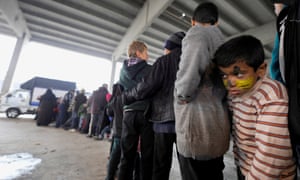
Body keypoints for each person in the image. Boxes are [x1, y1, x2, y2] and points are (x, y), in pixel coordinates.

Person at [213, 35, 296, 179]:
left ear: (261, 69)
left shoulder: (271, 96)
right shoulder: (235, 94)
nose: (230, 83)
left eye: (238, 74)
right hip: (246, 167)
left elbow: (270, 156)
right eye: (224, 76)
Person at [173, 2, 230, 180]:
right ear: (217, 22)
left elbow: (188, 78)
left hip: (197, 130)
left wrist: (181, 95)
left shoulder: (197, 34)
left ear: (192, 21)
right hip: (217, 129)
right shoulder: (223, 43)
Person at [122, 31, 185, 179]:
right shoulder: (192, 62)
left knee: (160, 166)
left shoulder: (163, 61)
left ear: (169, 48)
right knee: (187, 165)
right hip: (185, 121)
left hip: (163, 122)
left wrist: (127, 97)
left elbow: (146, 87)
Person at [117, 40, 153, 180]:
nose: (148, 56)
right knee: (147, 154)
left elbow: (121, 90)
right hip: (145, 113)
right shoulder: (149, 70)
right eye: (146, 53)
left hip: (129, 114)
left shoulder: (122, 70)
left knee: (127, 153)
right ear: (138, 53)